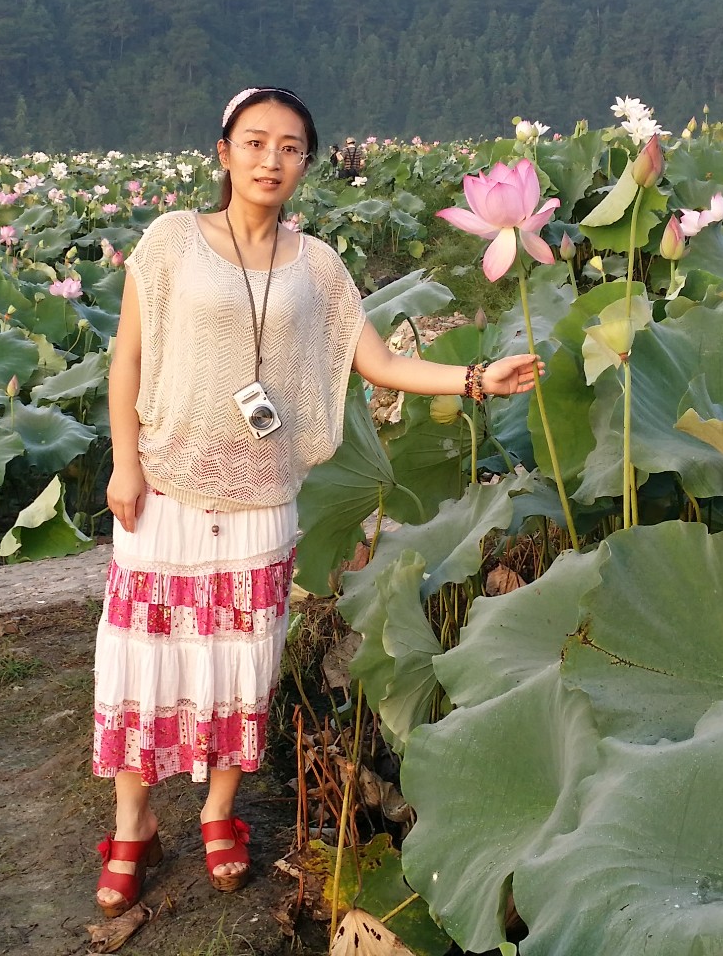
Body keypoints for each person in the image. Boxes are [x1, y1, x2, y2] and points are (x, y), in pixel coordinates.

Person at [91, 87, 541, 915]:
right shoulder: (168, 245)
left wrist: (477, 377)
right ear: (223, 152)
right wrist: (124, 465)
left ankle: (220, 811)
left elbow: (377, 362)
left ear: (306, 162)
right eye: (255, 142)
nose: (272, 160)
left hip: (262, 497)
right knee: (142, 659)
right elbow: (127, 360)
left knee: (244, 657)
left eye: (290, 147)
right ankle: (133, 822)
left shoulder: (318, 265)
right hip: (164, 486)